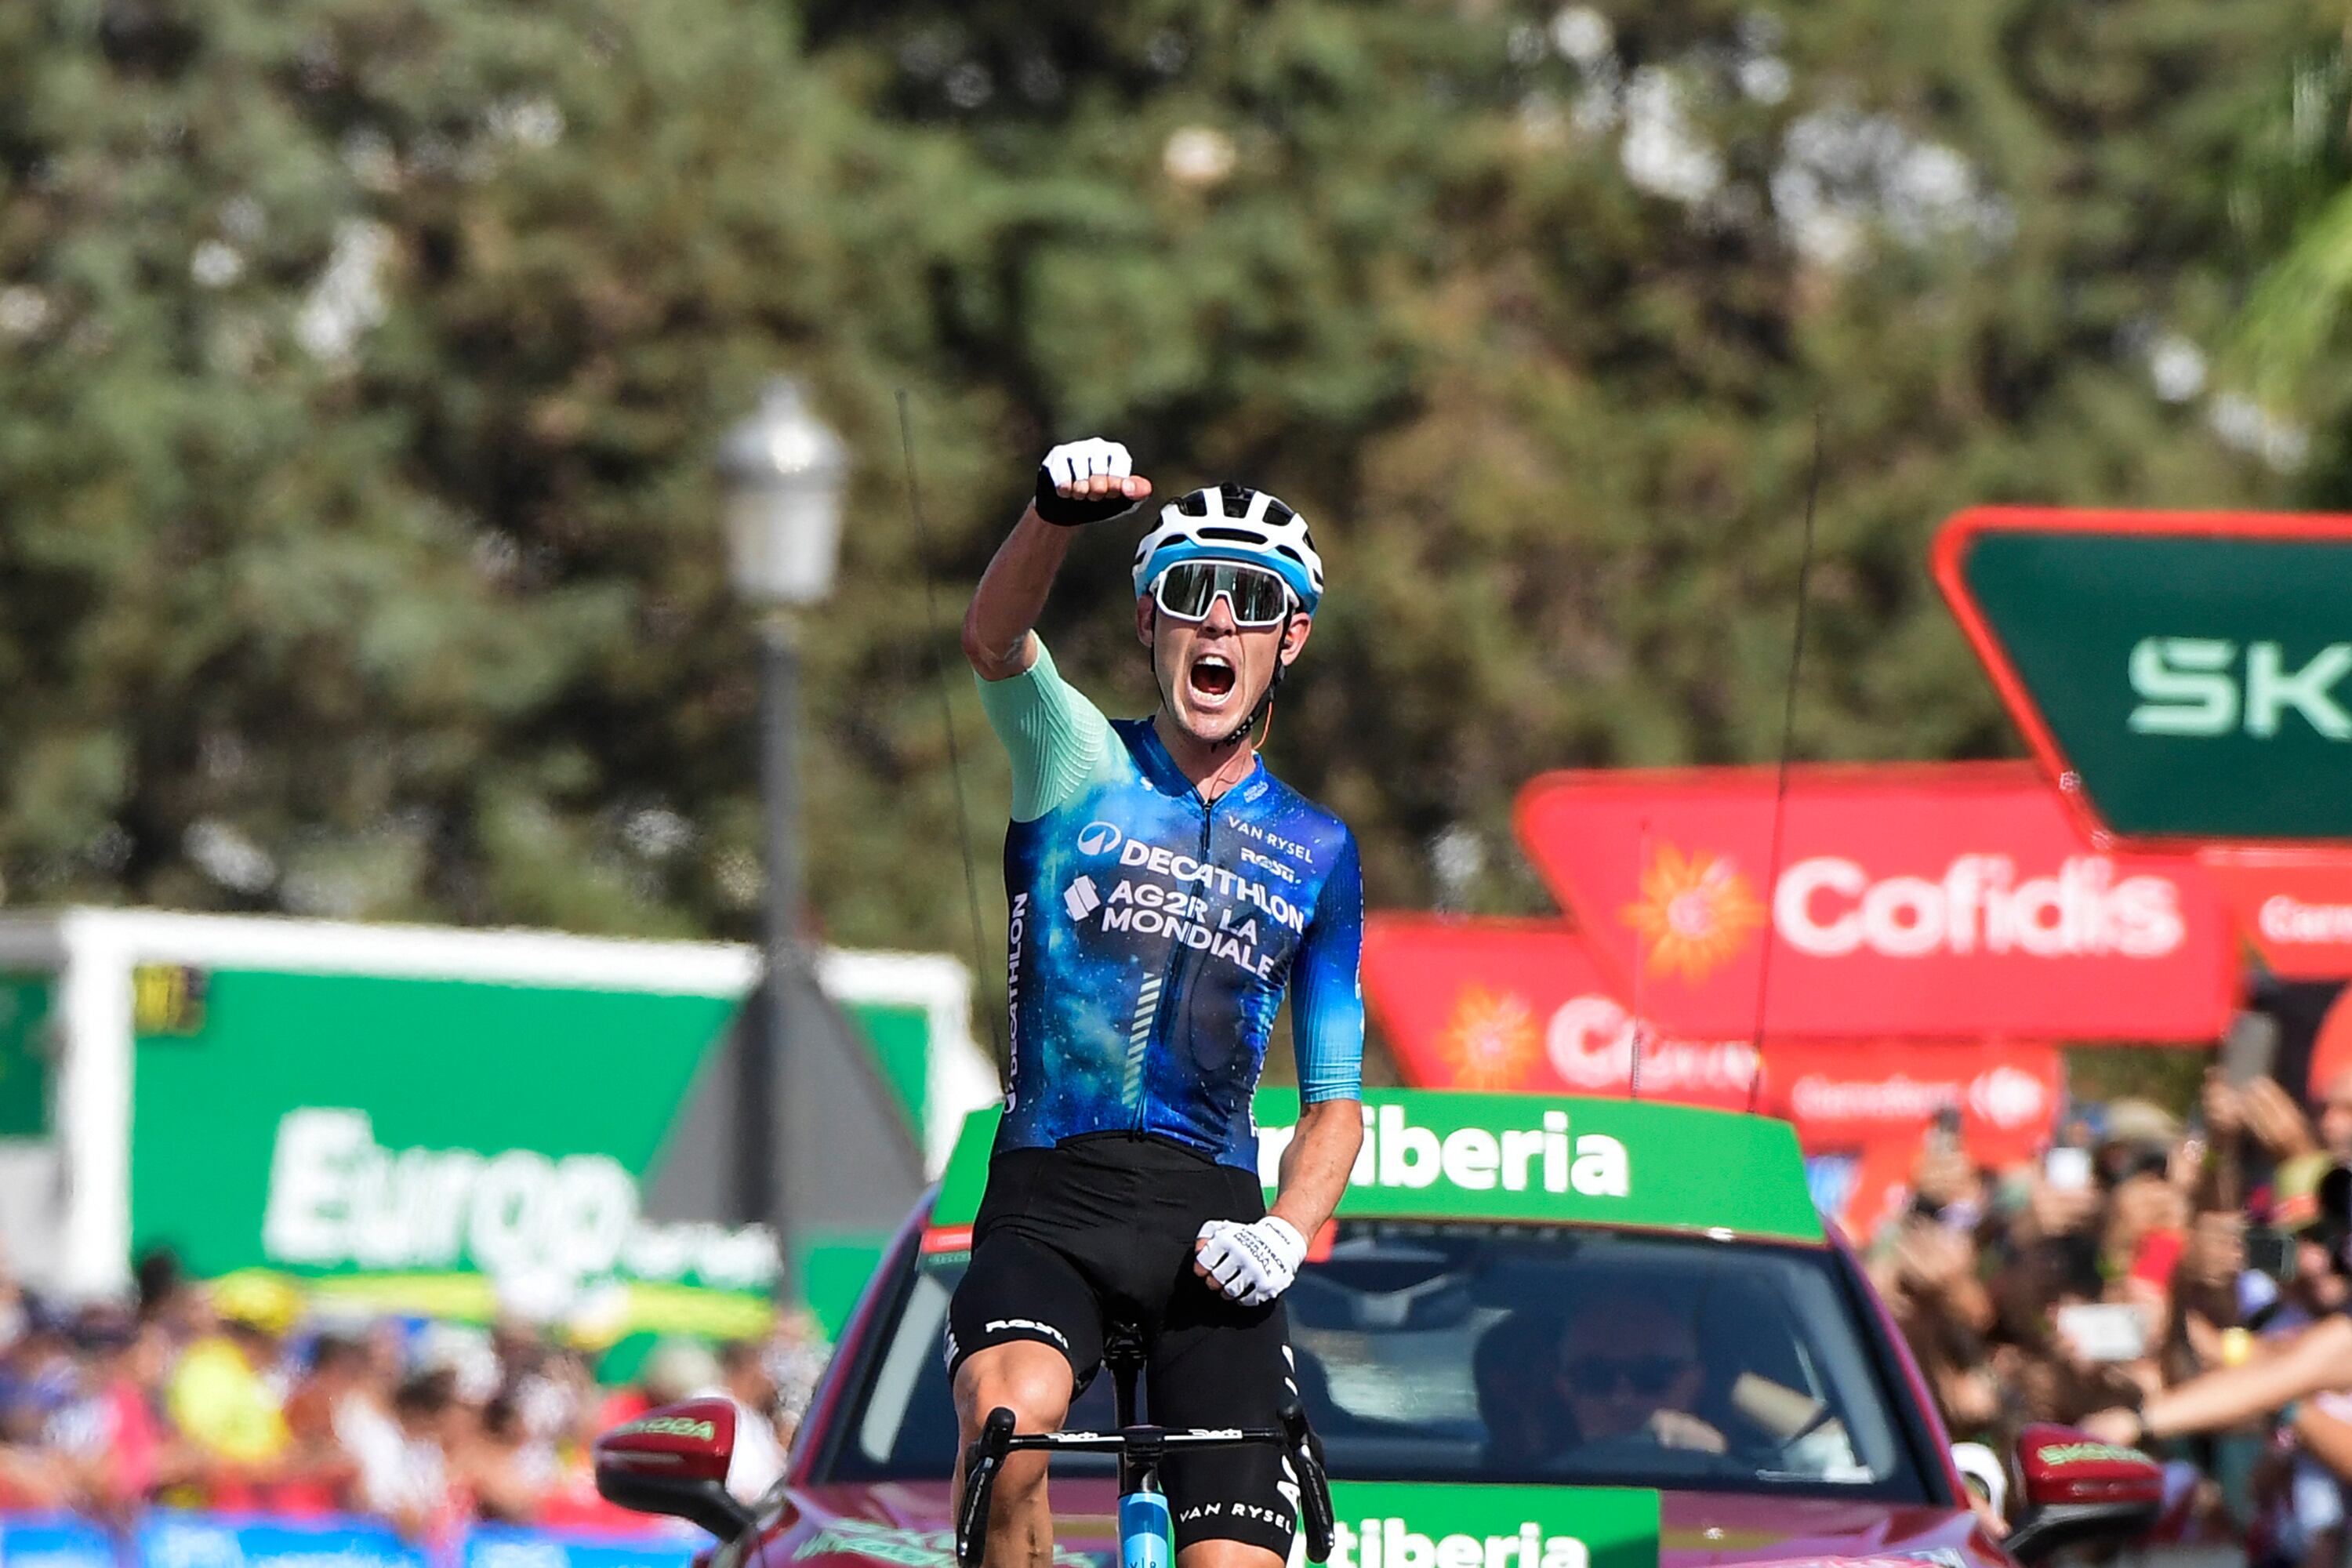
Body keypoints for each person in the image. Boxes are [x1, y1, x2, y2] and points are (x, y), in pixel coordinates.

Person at [949, 441, 1366, 1568]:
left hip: (1212, 1227)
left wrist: (1287, 1233)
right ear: (1150, 623)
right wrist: (1048, 515)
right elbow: (993, 643)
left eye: (1254, 604)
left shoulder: (1319, 851)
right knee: (1010, 1423)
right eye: (1191, 595)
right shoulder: (1078, 761)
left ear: (1292, 640)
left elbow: (1335, 1105)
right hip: (1054, 1200)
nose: (1219, 623)